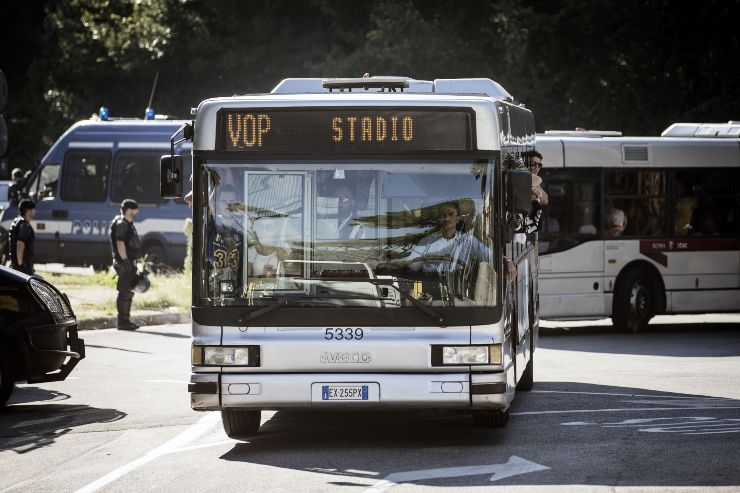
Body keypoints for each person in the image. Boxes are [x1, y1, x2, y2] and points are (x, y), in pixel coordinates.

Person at [110, 199, 142, 330]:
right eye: (135, 209)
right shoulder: (122, 224)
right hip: (124, 263)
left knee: (129, 292)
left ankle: (126, 320)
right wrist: (125, 261)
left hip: (129, 262)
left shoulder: (128, 224)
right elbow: (120, 242)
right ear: (129, 210)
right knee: (124, 292)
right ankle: (122, 322)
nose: (137, 211)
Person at [9, 199, 36, 275]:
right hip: (22, 269)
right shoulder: (25, 226)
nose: (35, 211)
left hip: (14, 266)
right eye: (33, 209)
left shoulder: (16, 221)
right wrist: (21, 265)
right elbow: (20, 243)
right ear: (28, 211)